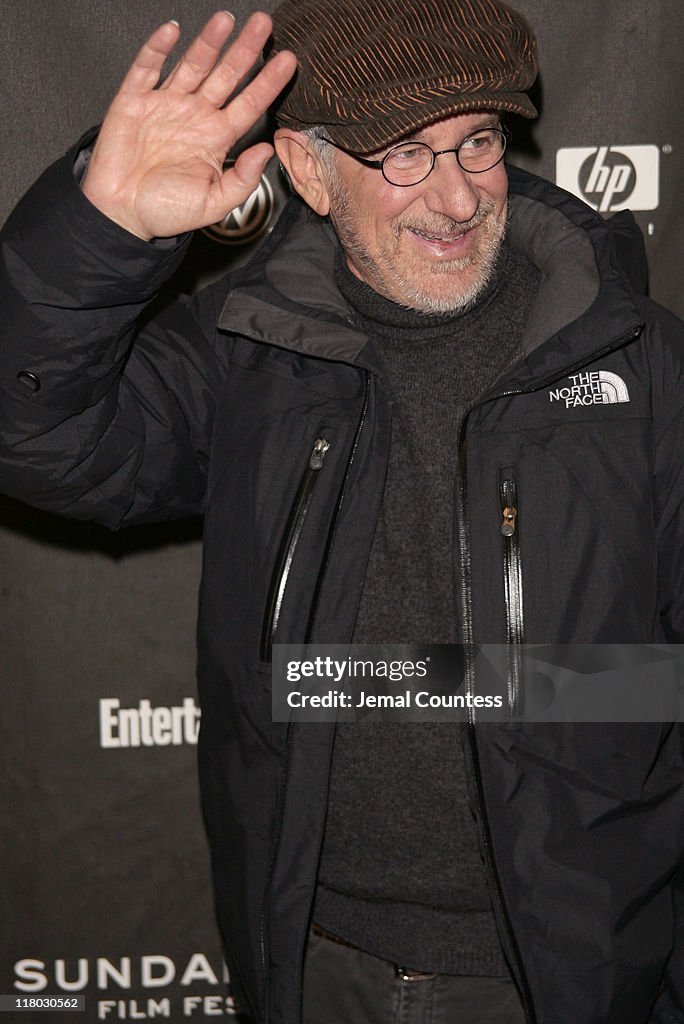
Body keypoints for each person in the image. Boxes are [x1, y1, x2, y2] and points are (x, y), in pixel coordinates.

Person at [0, 0, 682, 1021]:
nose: (456, 196)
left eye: (480, 143)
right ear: (309, 171)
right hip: (314, 964)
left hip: (566, 979)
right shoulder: (252, 349)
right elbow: (37, 437)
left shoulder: (635, 358)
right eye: (404, 154)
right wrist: (101, 235)